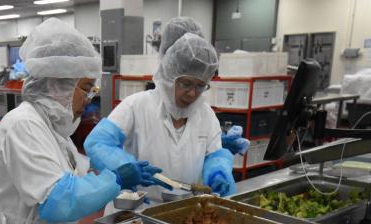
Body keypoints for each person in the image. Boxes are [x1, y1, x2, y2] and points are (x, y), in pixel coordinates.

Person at [0, 18, 151, 224]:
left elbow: (70, 180)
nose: (89, 98)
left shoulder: (54, 129)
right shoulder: (22, 125)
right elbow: (59, 201)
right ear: (55, 85)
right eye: (85, 88)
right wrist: (116, 179)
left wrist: (106, 173)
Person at [85, 18, 250, 199]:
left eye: (200, 85)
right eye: (185, 83)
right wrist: (124, 168)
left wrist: (218, 172)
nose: (192, 94)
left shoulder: (206, 115)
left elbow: (215, 155)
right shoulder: (136, 106)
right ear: (169, 74)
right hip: (137, 210)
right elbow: (97, 143)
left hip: (183, 211)